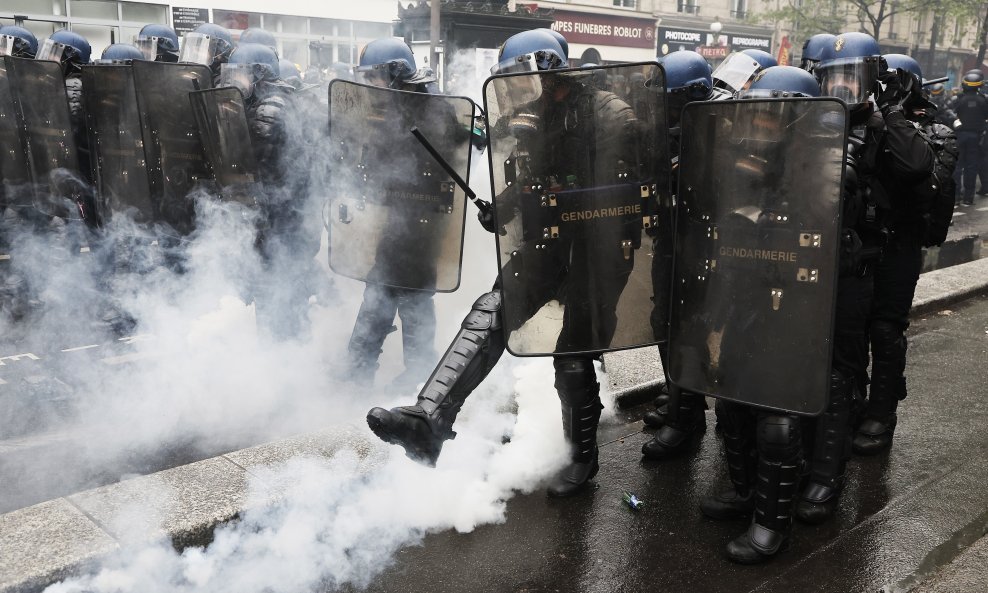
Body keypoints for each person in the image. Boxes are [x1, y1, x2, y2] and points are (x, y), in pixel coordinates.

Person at [366, 29, 649, 497]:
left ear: (550, 68)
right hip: (550, 241)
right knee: (490, 313)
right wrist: (501, 206)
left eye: (522, 76)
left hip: (600, 249)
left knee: (572, 356)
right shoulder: (535, 116)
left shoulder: (610, 115)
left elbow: (627, 191)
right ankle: (428, 420)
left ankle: (582, 457)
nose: (517, 88)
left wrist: (569, 182)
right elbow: (532, 178)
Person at [793, 33, 933, 526]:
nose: (842, 86)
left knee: (853, 355)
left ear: (872, 77)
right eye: (833, 76)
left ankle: (830, 470)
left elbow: (918, 167)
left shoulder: (885, 124)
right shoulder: (809, 116)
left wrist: (889, 114)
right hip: (808, 257)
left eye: (852, 75)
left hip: (863, 259)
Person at [694, 65, 824, 564]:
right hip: (748, 293)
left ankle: (772, 525)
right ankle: (745, 489)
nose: (757, 132)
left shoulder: (825, 168)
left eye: (769, 123)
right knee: (732, 396)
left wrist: (773, 223)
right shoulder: (744, 165)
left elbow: (824, 231)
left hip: (796, 302)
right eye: (755, 120)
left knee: (778, 416)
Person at [852, 54, 956, 454]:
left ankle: (882, 411)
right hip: (862, 242)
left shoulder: (937, 131)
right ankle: (854, 403)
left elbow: (919, 175)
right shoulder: (865, 121)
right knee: (852, 327)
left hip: (901, 243)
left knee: (885, 327)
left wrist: (893, 118)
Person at [343, 38, 446, 386]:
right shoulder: (389, 108)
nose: (370, 86)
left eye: (375, 77)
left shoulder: (432, 109)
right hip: (393, 230)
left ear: (396, 73)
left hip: (421, 231)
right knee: (375, 305)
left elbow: (464, 143)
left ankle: (419, 393)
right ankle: (354, 383)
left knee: (415, 313)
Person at [640, 49, 713, 458]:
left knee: (687, 329)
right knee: (664, 321)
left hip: (699, 249)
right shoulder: (666, 138)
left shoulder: (713, 138)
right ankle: (683, 400)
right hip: (669, 244)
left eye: (668, 102)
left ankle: (685, 420)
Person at [951, 70, 988, 205]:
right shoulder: (983, 100)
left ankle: (955, 197)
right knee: (971, 167)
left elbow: (951, 114)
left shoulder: (958, 99)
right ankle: (968, 197)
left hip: (960, 136)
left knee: (957, 167)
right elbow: (985, 116)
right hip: (976, 137)